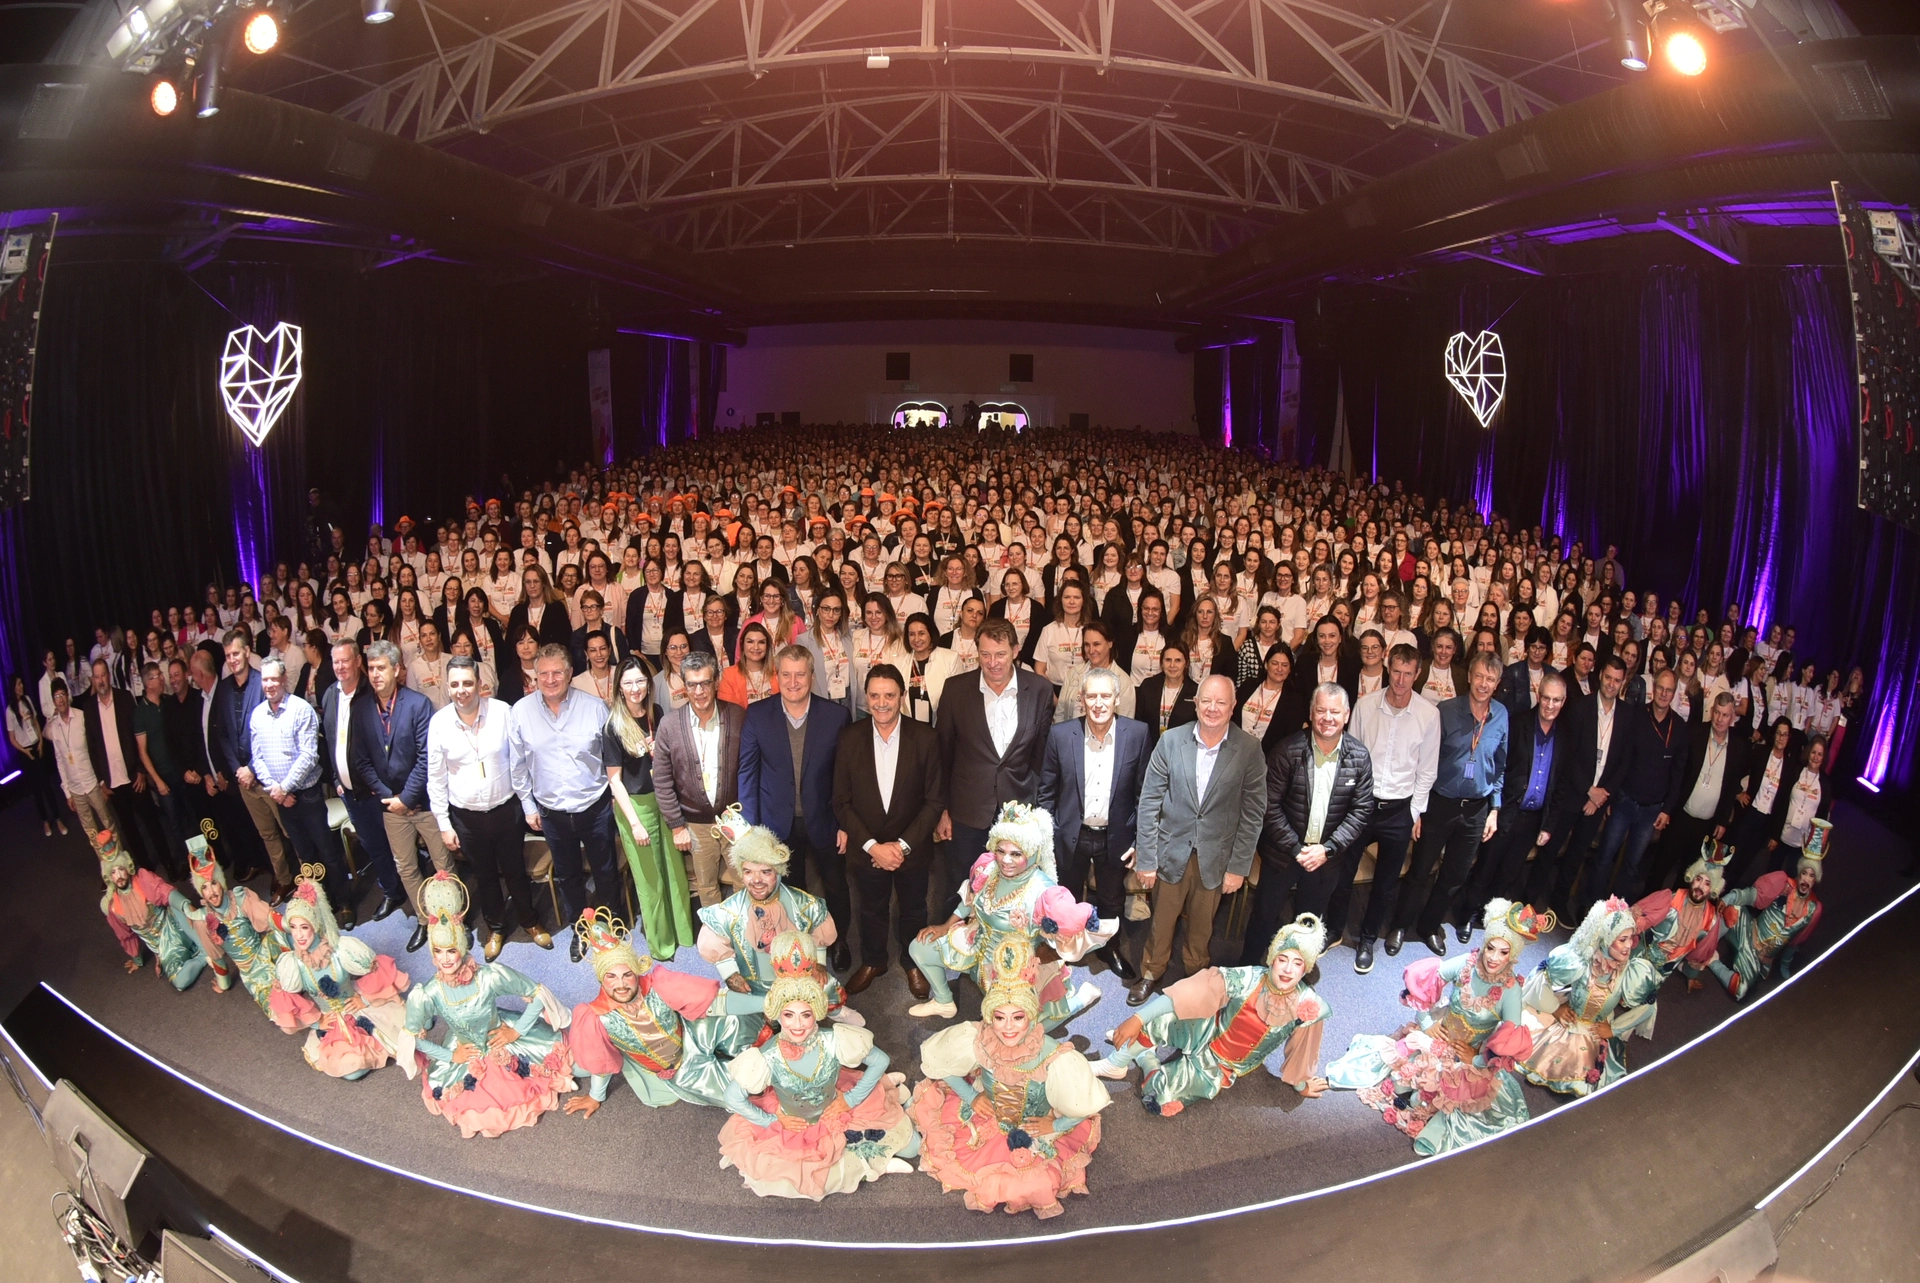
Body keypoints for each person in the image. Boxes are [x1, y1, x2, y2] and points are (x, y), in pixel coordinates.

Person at [1325, 899, 1547, 1154]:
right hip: (1439, 1036)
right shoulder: (1468, 963)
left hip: (1467, 1056)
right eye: (1490, 948)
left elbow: (1509, 1043)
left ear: (1513, 955)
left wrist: (1476, 1059)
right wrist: (1427, 1022)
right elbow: (1424, 982)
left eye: (1503, 952)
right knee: (1402, 1081)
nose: (1494, 958)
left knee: (1435, 1098)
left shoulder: (1511, 991)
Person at [910, 937, 1109, 1219]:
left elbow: (1082, 1105)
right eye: (999, 1018)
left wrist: (1055, 1124)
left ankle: (1079, 1000)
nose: (1008, 1028)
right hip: (991, 1116)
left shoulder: (1054, 1056)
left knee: (1037, 1184)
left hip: (1036, 1127)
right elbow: (942, 1064)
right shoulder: (981, 1039)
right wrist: (972, 1096)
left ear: (1031, 1017)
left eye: (1018, 1018)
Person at [717, 931, 917, 1201]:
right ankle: (871, 1165)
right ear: (778, 1015)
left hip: (836, 1105)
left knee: (912, 1147)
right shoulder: (767, 1055)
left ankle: (882, 1097)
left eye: (806, 1015)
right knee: (794, 1176)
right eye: (788, 1015)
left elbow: (880, 1059)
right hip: (796, 1124)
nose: (797, 1025)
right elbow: (732, 1096)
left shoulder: (834, 1040)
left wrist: (851, 1099)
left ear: (817, 1014)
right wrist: (772, 1120)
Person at [1093, 913, 1332, 1116]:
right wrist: (1138, 1018)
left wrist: (1301, 1085)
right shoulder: (1248, 978)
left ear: (1305, 969)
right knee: (1161, 1018)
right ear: (1272, 960)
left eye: (1297, 963)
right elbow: (1186, 993)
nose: (1288, 969)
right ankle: (1116, 1064)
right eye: (1283, 959)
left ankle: (1147, 1058)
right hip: (1208, 1029)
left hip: (1221, 1064)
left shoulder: (1308, 1005)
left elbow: (1302, 1052)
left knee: (1162, 1102)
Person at [402, 872, 575, 1138]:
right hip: (465, 1051)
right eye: (438, 951)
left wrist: (517, 1031)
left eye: (451, 950)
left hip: (501, 1039)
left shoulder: (488, 977)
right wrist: (451, 1057)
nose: (446, 959)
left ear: (462, 948)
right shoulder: (428, 993)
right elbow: (412, 1037)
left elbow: (538, 992)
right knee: (479, 1113)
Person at [1131, 673, 1267, 1005]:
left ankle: (1196, 976)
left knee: (1202, 928)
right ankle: (1151, 971)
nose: (1212, 708)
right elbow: (1149, 802)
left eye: (1221, 702)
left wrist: (1238, 867)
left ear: (1233, 706)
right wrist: (1147, 858)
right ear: (1196, 703)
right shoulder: (1170, 741)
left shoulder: (1249, 749)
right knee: (1161, 921)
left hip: (1217, 858)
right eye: (1206, 700)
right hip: (1170, 851)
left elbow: (1253, 814)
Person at [907, 800, 1106, 1027]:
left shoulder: (1045, 892)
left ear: (1031, 853)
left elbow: (1080, 934)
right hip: (977, 947)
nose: (1006, 860)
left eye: (1016, 854)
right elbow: (971, 898)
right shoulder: (988, 867)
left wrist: (1047, 953)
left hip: (1014, 972)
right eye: (1001, 851)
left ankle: (1080, 999)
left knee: (1015, 1032)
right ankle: (944, 1002)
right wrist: (945, 926)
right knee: (920, 948)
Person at [565, 908, 760, 1116]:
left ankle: (764, 1038)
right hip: (682, 1070)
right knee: (744, 1093)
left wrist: (765, 1004)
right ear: (601, 979)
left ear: (636, 973)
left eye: (627, 975)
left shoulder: (657, 984)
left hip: (693, 1035)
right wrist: (595, 1096)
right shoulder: (596, 1018)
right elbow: (600, 1060)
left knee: (736, 1020)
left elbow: (716, 1001)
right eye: (611, 977)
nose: (621, 984)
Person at [1243, 681, 1376, 970]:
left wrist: (1327, 849)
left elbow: (1361, 810)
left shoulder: (1359, 757)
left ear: (1346, 715)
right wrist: (1297, 848)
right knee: (1263, 919)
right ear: (1311, 712)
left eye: (1335, 712)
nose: (1328, 718)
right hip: (1283, 855)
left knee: (1307, 925)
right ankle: (1248, 971)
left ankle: (1295, 977)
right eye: (1321, 710)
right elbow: (1269, 806)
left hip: (1325, 860)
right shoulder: (1286, 751)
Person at [832, 663, 946, 997]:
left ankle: (913, 962)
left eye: (889, 695)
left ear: (902, 697)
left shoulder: (926, 738)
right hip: (867, 849)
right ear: (866, 697)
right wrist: (873, 846)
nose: (881, 703)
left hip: (912, 848)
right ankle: (873, 961)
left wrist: (902, 846)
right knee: (871, 908)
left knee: (914, 908)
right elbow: (841, 802)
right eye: (875, 695)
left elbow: (934, 801)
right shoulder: (849, 738)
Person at [933, 618, 1056, 917]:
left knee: (1014, 894)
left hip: (1018, 812)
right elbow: (942, 755)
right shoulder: (955, 689)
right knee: (961, 887)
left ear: (1015, 650)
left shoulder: (1039, 689)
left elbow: (1041, 755)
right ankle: (957, 942)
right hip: (967, 812)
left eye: (1000, 654)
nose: (992, 663)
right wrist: (943, 810)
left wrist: (1035, 807)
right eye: (985, 654)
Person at [738, 645, 852, 965]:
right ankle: (798, 944)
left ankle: (839, 940)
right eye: (786, 674)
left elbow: (847, 776)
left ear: (812, 676)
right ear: (777, 676)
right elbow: (747, 773)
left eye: (800, 674)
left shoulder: (836, 716)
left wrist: (845, 823)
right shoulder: (757, 715)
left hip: (826, 820)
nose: (793, 682)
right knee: (790, 888)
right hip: (776, 824)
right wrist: (753, 830)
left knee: (835, 885)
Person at [1329, 644, 1439, 974]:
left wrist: (1414, 812)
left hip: (1399, 810)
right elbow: (1350, 756)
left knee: (1386, 883)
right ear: (1388, 669)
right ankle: (1334, 929)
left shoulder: (1428, 715)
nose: (1401, 680)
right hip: (1362, 805)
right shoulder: (1365, 706)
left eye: (1408, 674)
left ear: (1417, 674)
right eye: (1397, 672)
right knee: (1342, 872)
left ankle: (1367, 939)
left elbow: (1427, 770)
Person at [1390, 652, 1508, 958]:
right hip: (1439, 803)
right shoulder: (1445, 711)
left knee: (1454, 875)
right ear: (1468, 677)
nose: (1483, 684)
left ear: (1497, 683)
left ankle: (1429, 926)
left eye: (1490, 679)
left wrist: (1494, 809)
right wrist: (1418, 809)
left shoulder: (1501, 715)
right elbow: (1423, 760)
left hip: (1476, 809)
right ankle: (1400, 925)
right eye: (1479, 676)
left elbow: (1500, 766)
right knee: (1419, 870)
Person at [1037, 668, 1150, 982]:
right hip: (1070, 835)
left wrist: (1139, 841)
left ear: (1117, 699)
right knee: (1067, 898)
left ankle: (1108, 948)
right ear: (1081, 699)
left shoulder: (1138, 734)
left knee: (1112, 899)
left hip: (1116, 837)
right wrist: (1049, 836)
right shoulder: (1061, 735)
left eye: (1105, 696)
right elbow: (1046, 791)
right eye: (1092, 696)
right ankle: (1067, 950)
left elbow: (1144, 794)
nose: (1099, 703)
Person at [695, 823, 858, 1026]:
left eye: (766, 872)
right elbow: (714, 943)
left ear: (779, 872)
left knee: (824, 986)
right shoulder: (728, 911)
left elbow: (819, 934)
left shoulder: (803, 903)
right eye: (748, 872)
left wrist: (818, 964)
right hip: (753, 985)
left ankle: (834, 1009)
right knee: (741, 1027)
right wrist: (730, 974)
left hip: (799, 975)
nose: (756, 880)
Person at [353, 640, 457, 953]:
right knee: (407, 868)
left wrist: (407, 798)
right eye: (371, 668)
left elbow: (427, 758)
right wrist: (391, 799)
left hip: (423, 802)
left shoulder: (417, 704)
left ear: (397, 669)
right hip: (390, 807)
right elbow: (361, 761)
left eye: (381, 667)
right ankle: (426, 921)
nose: (375, 674)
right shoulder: (361, 708)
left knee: (442, 865)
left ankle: (452, 920)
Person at [269, 862, 417, 1081]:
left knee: (404, 1032)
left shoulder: (341, 950)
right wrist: (317, 1022)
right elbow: (287, 1000)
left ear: (315, 926)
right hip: (331, 1020)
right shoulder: (293, 964)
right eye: (294, 927)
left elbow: (376, 969)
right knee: (352, 1070)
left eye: (304, 927)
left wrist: (363, 999)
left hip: (356, 1006)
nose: (299, 935)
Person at [507, 644, 621, 923]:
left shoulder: (594, 707)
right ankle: (580, 926)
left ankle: (612, 926)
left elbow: (611, 758)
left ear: (569, 674)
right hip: (551, 812)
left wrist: (615, 797)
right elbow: (517, 765)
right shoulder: (520, 712)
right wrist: (528, 805)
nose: (550, 680)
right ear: (535, 676)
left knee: (605, 872)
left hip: (594, 808)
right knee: (567, 876)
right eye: (543, 674)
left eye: (557, 672)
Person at [1454, 671, 1568, 930]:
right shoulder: (1517, 723)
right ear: (1538, 695)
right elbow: (1499, 767)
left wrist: (1548, 826)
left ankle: (1489, 914)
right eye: (1547, 698)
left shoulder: (1565, 735)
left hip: (1534, 818)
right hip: (1506, 811)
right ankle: (1466, 915)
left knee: (1509, 873)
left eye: (1557, 700)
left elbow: (1560, 785)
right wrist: (1494, 809)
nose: (1550, 705)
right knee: (1485, 867)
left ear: (1563, 701)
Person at [245, 659, 352, 921]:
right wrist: (276, 790)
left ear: (284, 680)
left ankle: (345, 903)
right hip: (281, 799)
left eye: (274, 679)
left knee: (327, 851)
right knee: (305, 855)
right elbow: (257, 758)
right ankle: (321, 903)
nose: (269, 684)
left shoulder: (301, 709)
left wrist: (284, 788)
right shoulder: (257, 715)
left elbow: (308, 756)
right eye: (265, 679)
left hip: (307, 794)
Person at [1516, 896, 1655, 1096]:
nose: (1628, 946)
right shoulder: (1583, 961)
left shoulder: (1631, 971)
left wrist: (1614, 1029)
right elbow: (1542, 976)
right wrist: (1555, 1008)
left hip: (1594, 1029)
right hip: (1568, 1018)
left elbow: (1649, 1005)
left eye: (1630, 938)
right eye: (1621, 939)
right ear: (1606, 939)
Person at [603, 655, 694, 956]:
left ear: (648, 682)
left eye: (640, 681)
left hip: (663, 799)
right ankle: (662, 945)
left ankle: (683, 934)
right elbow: (615, 782)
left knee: (675, 872)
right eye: (628, 682)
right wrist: (635, 823)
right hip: (636, 807)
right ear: (619, 686)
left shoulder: (656, 712)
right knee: (650, 880)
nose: (635, 688)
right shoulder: (613, 726)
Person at [1577, 668, 1687, 915]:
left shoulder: (1679, 727)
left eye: (1669, 690)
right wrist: (1610, 798)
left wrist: (1668, 809)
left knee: (1632, 865)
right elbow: (1620, 759)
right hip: (1624, 801)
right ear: (1653, 688)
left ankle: (1616, 913)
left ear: (1674, 693)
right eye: (1660, 688)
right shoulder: (1635, 716)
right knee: (1605, 855)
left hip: (1652, 810)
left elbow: (1678, 773)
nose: (1664, 694)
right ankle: (1590, 906)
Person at [652, 649, 745, 909]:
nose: (699, 691)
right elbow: (662, 781)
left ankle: (744, 929)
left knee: (744, 881)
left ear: (716, 682)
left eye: (705, 683)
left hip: (734, 818)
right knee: (706, 886)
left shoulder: (737, 716)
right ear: (684, 686)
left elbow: (750, 769)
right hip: (696, 824)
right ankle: (716, 931)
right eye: (692, 684)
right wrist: (676, 825)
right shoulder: (669, 725)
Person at [1644, 690, 1749, 895]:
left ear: (1732, 718)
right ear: (1712, 711)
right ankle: (1646, 903)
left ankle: (1676, 909)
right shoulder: (1695, 733)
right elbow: (1678, 773)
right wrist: (1669, 808)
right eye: (1717, 712)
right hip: (1681, 815)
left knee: (1689, 874)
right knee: (1660, 867)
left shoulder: (1738, 747)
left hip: (1707, 824)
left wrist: (1723, 820)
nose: (1719, 719)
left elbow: (1731, 787)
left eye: (1725, 715)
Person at [84, 659, 170, 876]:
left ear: (108, 676)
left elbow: (137, 735)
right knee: (129, 829)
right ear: (93, 680)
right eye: (97, 677)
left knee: (152, 822)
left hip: (134, 776)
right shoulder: (89, 708)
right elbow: (92, 748)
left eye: (103, 675)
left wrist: (141, 769)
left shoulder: (124, 698)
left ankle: (169, 864)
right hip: (112, 783)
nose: (101, 680)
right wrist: (101, 781)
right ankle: (147, 870)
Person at [95, 830, 211, 990]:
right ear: (109, 877)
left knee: (178, 908)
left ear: (127, 867)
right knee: (180, 982)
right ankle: (204, 956)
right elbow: (126, 936)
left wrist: (187, 907)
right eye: (113, 872)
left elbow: (166, 893)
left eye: (121, 869)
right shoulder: (113, 907)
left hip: (176, 924)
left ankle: (205, 947)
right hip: (164, 948)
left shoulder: (142, 880)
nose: (119, 875)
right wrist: (137, 960)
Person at [1709, 849, 1823, 1000]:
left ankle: (1712, 961)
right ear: (1799, 873)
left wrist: (1784, 965)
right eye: (1804, 873)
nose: (1806, 880)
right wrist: (1728, 898)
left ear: (1815, 880)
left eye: (1811, 876)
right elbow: (1752, 895)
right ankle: (1706, 945)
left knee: (1740, 991)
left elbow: (1795, 941)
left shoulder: (1814, 909)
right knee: (1732, 910)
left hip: (1756, 957)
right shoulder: (1784, 884)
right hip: (1747, 930)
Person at [187, 838, 283, 1017]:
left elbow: (270, 919)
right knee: (278, 1010)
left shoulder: (239, 897)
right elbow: (216, 956)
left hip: (266, 950)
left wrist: (293, 926)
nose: (212, 892)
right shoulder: (202, 920)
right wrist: (224, 984)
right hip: (251, 972)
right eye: (205, 887)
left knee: (288, 944)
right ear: (201, 892)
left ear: (221, 882)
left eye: (214, 883)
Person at [1628, 844, 1727, 997]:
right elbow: (1640, 918)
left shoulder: (1711, 919)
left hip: (1662, 970)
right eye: (1698, 879)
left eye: (1707, 883)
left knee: (1637, 998)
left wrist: (1691, 975)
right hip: (1640, 957)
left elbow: (1701, 952)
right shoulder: (1671, 898)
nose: (1700, 886)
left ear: (1713, 889)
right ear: (1691, 878)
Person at [48, 679, 114, 842]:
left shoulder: (81, 717)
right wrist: (67, 793)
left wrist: (102, 782)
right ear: (53, 701)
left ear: (68, 696)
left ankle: (119, 856)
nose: (60, 700)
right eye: (56, 696)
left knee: (108, 823)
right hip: (75, 788)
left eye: (62, 694)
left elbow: (95, 751)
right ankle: (102, 858)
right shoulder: (54, 727)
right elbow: (60, 761)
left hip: (92, 782)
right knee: (91, 832)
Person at [8, 674, 67, 836]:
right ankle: (45, 821)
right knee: (36, 789)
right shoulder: (10, 711)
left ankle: (58, 818)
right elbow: (11, 738)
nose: (21, 686)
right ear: (13, 688)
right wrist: (24, 750)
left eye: (22, 683)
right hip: (25, 752)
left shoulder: (27, 700)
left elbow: (35, 721)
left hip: (36, 745)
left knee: (47, 785)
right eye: (18, 684)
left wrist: (40, 741)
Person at [1135, 641, 1197, 746]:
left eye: (1178, 660)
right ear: (1161, 663)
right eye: (1168, 660)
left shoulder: (1195, 691)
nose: (1172, 665)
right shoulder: (1148, 686)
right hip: (1150, 748)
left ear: (1186, 663)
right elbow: (1139, 722)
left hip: (1181, 749)